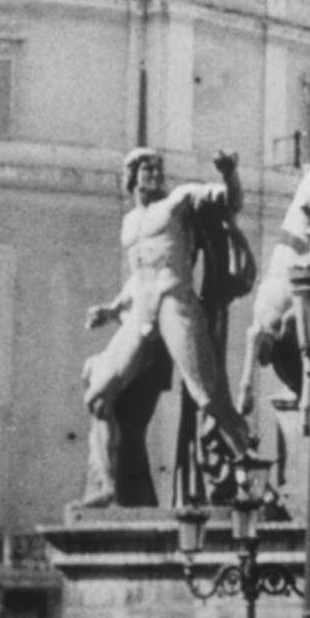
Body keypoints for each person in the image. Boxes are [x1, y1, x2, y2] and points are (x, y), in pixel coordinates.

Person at [81, 147, 254, 505]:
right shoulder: (130, 223)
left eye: (159, 168)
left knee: (208, 396)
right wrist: (112, 310)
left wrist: (229, 174)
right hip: (141, 312)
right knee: (98, 398)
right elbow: (138, 276)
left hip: (175, 301)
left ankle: (251, 473)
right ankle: (107, 487)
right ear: (132, 174)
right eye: (147, 168)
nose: (155, 174)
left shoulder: (177, 201)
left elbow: (229, 201)